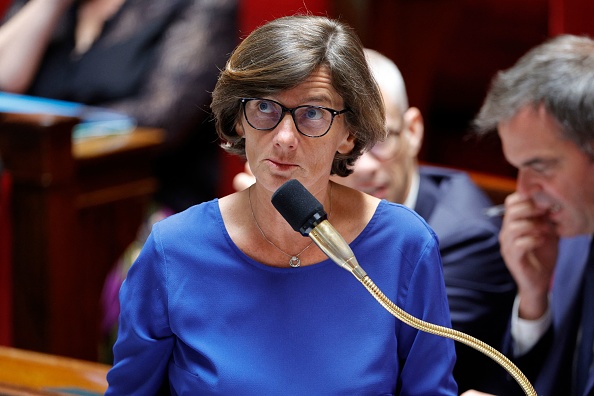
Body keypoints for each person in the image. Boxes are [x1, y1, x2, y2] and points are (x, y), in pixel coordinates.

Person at [106, 15, 458, 394]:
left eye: (312, 113)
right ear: (239, 120)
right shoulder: (173, 249)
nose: (284, 137)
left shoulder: (404, 245)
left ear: (348, 132)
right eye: (264, 107)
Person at [233, 48, 517, 393]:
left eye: (379, 140)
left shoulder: (463, 238)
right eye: (353, 145)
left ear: (412, 131)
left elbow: (376, 364)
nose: (364, 165)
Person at [0, 0, 238, 211]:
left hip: (142, 200)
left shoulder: (198, 4)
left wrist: (53, 127)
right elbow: (5, 82)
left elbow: (164, 120)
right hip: (33, 191)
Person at [466, 34, 594, 396]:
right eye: (517, 169)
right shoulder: (571, 233)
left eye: (540, 165)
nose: (522, 191)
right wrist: (534, 299)